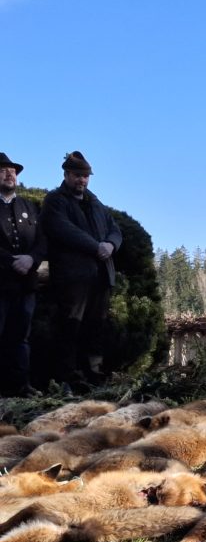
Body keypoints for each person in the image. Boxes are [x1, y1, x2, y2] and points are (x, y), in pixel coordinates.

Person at [40, 150, 121, 388]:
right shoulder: (55, 201)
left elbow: (114, 228)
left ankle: (94, 373)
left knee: (96, 327)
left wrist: (111, 244)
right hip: (73, 278)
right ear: (66, 175)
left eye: (85, 176)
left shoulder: (95, 203)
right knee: (70, 327)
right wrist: (96, 247)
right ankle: (68, 377)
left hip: (100, 276)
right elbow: (63, 229)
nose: (82, 180)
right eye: (77, 175)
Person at [0, 153, 46, 396]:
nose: (10, 174)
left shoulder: (30, 207)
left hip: (26, 284)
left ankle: (21, 386)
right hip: (1, 282)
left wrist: (32, 258)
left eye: (13, 171)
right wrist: (9, 262)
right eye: (3, 170)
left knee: (22, 337)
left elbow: (42, 240)